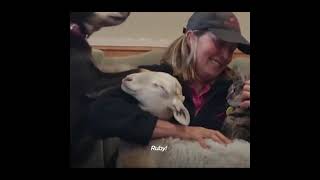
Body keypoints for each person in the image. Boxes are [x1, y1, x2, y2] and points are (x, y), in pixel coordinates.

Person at [88, 12, 250, 150]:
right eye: (219, 43)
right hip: (156, 152)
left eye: (231, 49)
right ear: (191, 38)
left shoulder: (234, 92)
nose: (225, 56)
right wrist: (183, 131)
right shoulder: (155, 77)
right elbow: (100, 111)